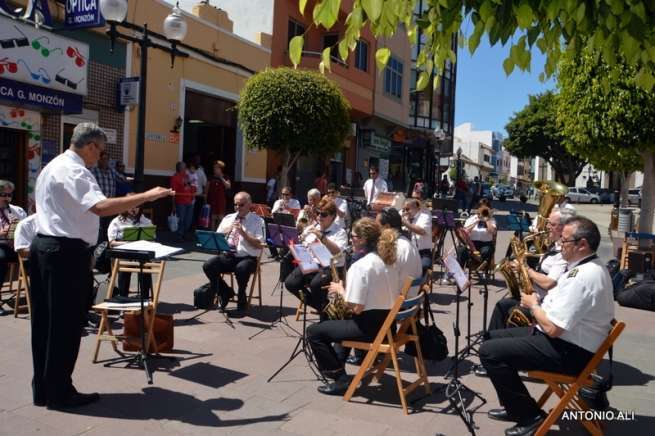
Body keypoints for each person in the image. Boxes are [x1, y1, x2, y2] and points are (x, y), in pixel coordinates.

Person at [30, 122, 173, 410]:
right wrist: (147, 196)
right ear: (91, 145)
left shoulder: (53, 165)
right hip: (64, 254)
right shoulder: (75, 170)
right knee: (66, 326)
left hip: (46, 248)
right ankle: (60, 393)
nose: (100, 157)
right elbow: (101, 207)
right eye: (100, 151)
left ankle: (44, 388)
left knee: (45, 325)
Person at [479, 216, 614, 436]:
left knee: (490, 353)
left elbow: (553, 329)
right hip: (566, 342)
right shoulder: (585, 267)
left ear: (582, 245)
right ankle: (515, 407)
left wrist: (533, 306)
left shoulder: (584, 276)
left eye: (565, 241)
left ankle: (530, 416)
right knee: (491, 338)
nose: (560, 245)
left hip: (569, 352)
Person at [475, 208, 574, 378]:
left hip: (544, 304)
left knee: (509, 309)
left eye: (552, 224)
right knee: (502, 305)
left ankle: (497, 357)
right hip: (537, 297)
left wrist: (526, 269)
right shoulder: (554, 246)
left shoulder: (562, 254)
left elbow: (549, 283)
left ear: (564, 227)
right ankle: (491, 355)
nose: (547, 226)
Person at [307, 217, 399, 395]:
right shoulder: (388, 261)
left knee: (314, 332)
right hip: (388, 327)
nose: (351, 239)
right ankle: (338, 363)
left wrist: (340, 290)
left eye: (354, 236)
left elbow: (355, 307)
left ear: (363, 240)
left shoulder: (360, 266)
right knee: (341, 322)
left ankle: (339, 378)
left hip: (368, 329)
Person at [202, 192, 265, 315]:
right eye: (235, 205)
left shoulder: (258, 221)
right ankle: (225, 292)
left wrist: (243, 233)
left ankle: (242, 298)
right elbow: (217, 237)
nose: (237, 207)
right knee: (208, 265)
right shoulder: (228, 218)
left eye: (241, 205)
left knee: (241, 269)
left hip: (248, 258)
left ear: (249, 205)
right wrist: (228, 229)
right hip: (229, 255)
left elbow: (259, 244)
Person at [285, 199, 348, 315]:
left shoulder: (340, 232)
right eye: (318, 213)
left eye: (323, 214)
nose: (319, 217)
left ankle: (323, 311)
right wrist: (296, 243)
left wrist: (322, 238)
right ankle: (323, 309)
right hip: (311, 263)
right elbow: (301, 244)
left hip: (331, 267)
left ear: (333, 216)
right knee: (290, 283)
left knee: (316, 284)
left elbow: (339, 252)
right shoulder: (312, 228)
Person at [107, 196, 154, 297]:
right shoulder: (117, 221)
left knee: (145, 265)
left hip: (140, 251)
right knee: (124, 266)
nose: (133, 209)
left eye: (136, 207)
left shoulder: (145, 220)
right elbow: (112, 242)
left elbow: (152, 237)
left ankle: (145, 297)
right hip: (123, 251)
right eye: (131, 207)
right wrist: (127, 243)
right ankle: (123, 297)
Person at [378, 208, 422, 296]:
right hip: (409, 299)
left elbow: (385, 281)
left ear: (386, 227)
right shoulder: (408, 243)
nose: (376, 230)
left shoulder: (394, 248)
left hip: (398, 304)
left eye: (377, 226)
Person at [0, 180, 26, 316]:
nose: (7, 198)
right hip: (1, 246)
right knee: (1, 258)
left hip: (15, 246)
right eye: (3, 194)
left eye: (9, 195)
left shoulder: (17, 210)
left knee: (38, 256)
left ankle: (36, 297)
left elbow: (27, 229)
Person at [91, 151, 129, 244]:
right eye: (102, 159)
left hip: (110, 205)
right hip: (98, 205)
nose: (104, 161)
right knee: (99, 230)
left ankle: (107, 249)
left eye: (106, 159)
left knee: (109, 229)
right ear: (98, 160)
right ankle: (98, 251)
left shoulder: (112, 171)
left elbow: (121, 178)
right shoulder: (93, 170)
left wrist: (130, 179)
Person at [457, 199, 497, 269]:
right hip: (472, 244)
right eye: (481, 208)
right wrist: (477, 221)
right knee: (461, 250)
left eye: (485, 209)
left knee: (486, 251)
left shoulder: (491, 220)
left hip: (485, 244)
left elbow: (492, 231)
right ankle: (459, 272)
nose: (483, 211)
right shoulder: (471, 219)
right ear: (478, 209)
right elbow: (465, 232)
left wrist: (487, 220)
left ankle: (478, 262)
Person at [401, 198, 433, 274]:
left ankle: (416, 284)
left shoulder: (425, 216)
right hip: (406, 252)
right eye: (403, 210)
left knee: (423, 267)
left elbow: (421, 231)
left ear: (415, 208)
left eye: (407, 209)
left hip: (422, 253)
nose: (405, 212)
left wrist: (405, 223)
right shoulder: (404, 215)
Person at [170, 161, 196, 240]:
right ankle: (179, 236)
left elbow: (192, 187)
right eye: (184, 166)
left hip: (189, 202)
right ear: (180, 168)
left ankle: (185, 234)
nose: (186, 168)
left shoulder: (187, 176)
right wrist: (173, 206)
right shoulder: (175, 178)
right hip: (180, 202)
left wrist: (192, 197)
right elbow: (173, 192)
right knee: (181, 220)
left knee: (188, 220)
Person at [205, 160, 231, 229]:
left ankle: (218, 234)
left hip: (221, 201)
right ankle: (212, 234)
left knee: (220, 219)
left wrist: (221, 178)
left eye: (216, 168)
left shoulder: (226, 177)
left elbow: (228, 186)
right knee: (213, 218)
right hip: (212, 201)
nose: (214, 169)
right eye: (214, 168)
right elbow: (206, 190)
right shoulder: (211, 177)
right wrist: (205, 201)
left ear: (221, 169)